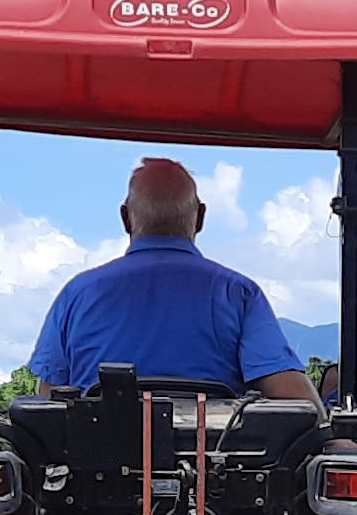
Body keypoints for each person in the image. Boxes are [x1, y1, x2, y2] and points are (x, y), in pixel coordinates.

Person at [28, 159, 317, 399]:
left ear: (126, 218)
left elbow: (49, 394)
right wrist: (334, 439)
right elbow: (285, 387)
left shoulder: (78, 294)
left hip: (96, 463)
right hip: (215, 461)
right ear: (200, 217)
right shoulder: (238, 293)